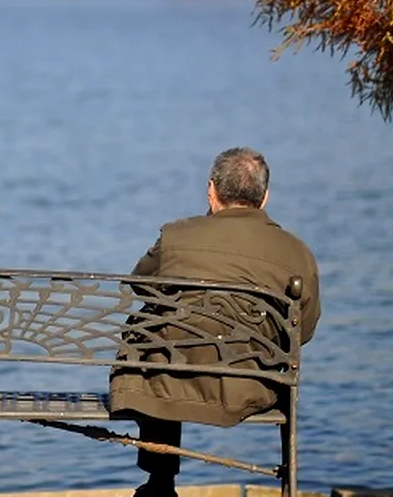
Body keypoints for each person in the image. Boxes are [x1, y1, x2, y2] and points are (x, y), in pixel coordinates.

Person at [109, 147, 322, 497]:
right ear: (265, 198)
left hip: (168, 381)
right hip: (252, 386)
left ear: (211, 190)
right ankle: (288, 485)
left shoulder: (178, 237)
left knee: (155, 343)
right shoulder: (296, 253)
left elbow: (139, 285)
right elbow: (304, 330)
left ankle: (160, 483)